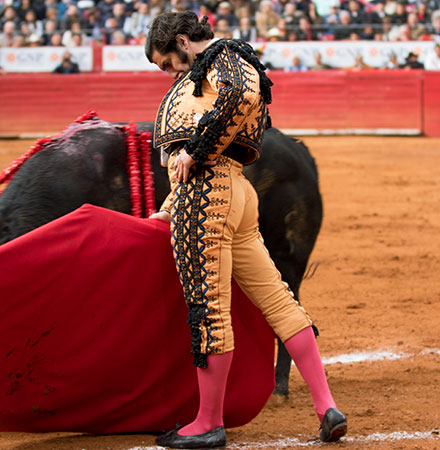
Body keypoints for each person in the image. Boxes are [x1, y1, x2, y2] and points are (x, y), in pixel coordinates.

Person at [145, 11, 347, 449]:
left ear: (182, 41)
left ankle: (208, 422)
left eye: (168, 62)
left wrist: (196, 151)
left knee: (209, 309)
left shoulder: (223, 60)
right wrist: (170, 205)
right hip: (235, 191)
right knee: (279, 299)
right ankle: (327, 407)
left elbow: (240, 96)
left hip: (208, 198)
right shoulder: (217, 68)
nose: (170, 73)